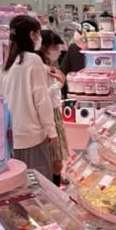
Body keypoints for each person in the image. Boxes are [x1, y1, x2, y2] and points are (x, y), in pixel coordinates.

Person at [0, 15, 55, 178]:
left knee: (18, 187)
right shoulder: (33, 60)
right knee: (38, 184)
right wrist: (51, 131)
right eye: (37, 33)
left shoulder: (8, 63)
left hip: (11, 138)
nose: (39, 38)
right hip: (32, 135)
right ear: (31, 35)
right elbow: (41, 99)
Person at [39, 30, 68, 185]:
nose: (57, 50)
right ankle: (54, 189)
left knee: (58, 159)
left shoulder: (49, 67)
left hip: (55, 112)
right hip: (49, 115)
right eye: (54, 46)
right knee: (55, 160)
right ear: (44, 48)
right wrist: (58, 83)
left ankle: (55, 185)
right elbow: (42, 96)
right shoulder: (41, 69)